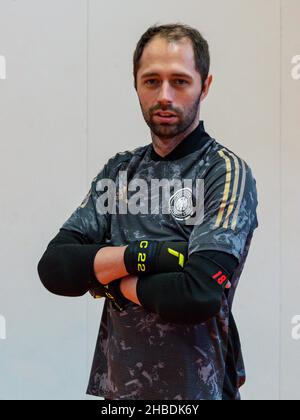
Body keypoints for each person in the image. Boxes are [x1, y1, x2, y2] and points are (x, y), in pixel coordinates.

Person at [37, 23, 259, 400]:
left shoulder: (224, 172)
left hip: (198, 391)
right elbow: (56, 268)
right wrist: (146, 257)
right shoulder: (119, 174)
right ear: (136, 85)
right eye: (152, 81)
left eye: (180, 81)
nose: (165, 95)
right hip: (120, 391)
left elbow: (196, 294)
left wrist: (110, 280)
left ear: (204, 86)